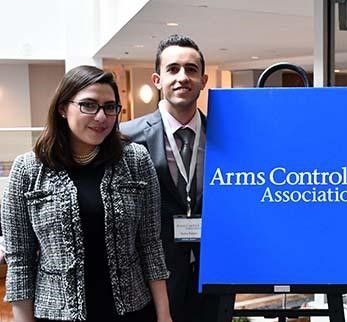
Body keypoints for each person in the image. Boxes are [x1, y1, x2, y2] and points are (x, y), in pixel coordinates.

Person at [1, 65, 171, 322]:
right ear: (62, 108)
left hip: (132, 311)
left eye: (110, 107)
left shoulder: (135, 160)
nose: (101, 117)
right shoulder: (28, 169)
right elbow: (20, 262)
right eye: (89, 105)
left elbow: (150, 244)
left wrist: (164, 315)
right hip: (57, 314)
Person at [120, 34, 230, 322]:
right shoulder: (126, 139)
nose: (183, 77)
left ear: (204, 80)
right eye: (173, 69)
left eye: (191, 70)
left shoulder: (228, 136)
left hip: (215, 273)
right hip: (152, 278)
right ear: (157, 79)